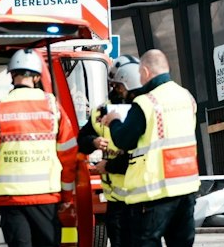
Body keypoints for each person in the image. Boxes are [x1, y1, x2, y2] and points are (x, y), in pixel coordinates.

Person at [0, 49, 79, 247]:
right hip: (46, 198)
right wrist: (67, 195)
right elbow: (68, 153)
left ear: (12, 75)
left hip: (11, 201)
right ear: (38, 77)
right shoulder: (52, 107)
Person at [109, 49, 200, 247]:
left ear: (145, 71)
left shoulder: (146, 102)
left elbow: (123, 140)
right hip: (186, 190)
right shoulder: (187, 97)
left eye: (140, 74)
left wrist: (114, 121)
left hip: (154, 195)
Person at [79, 56, 143, 247]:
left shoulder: (142, 111)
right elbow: (81, 141)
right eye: (113, 85)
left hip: (141, 199)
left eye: (118, 86)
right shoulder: (102, 111)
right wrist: (94, 142)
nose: (114, 90)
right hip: (115, 201)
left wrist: (109, 166)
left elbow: (138, 154)